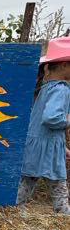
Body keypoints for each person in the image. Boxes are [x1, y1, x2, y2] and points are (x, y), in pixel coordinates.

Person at [17, 37, 70, 214]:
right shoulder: (61, 89)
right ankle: (64, 219)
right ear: (64, 65)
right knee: (59, 188)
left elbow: (41, 123)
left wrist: (62, 146)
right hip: (48, 151)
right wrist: (68, 120)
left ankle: (13, 212)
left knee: (25, 184)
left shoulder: (46, 87)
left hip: (36, 146)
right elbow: (51, 118)